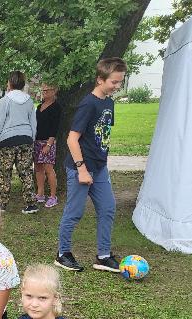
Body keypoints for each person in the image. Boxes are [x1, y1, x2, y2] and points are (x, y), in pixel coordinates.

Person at [55, 58, 127, 273]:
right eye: (114, 82)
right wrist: (82, 169)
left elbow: (100, 135)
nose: (117, 86)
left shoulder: (109, 103)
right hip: (80, 167)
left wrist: (99, 164)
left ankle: (103, 256)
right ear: (100, 79)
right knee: (74, 212)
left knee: (108, 208)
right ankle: (62, 253)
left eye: (120, 82)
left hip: (100, 167)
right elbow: (71, 139)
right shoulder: (88, 104)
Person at [0, 71, 38, 214]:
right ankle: (31, 204)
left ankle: (2, 204)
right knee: (26, 172)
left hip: (7, 140)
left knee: (5, 172)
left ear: (10, 83)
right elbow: (33, 123)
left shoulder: (5, 100)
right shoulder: (29, 101)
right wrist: (32, 139)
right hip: (26, 139)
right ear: (23, 84)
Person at [34, 84, 62, 208]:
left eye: (47, 90)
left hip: (48, 142)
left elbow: (55, 128)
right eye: (43, 90)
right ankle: (40, 193)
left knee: (49, 169)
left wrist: (49, 144)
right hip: (37, 141)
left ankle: (53, 196)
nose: (44, 92)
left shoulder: (56, 107)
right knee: (38, 168)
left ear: (54, 91)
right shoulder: (39, 106)